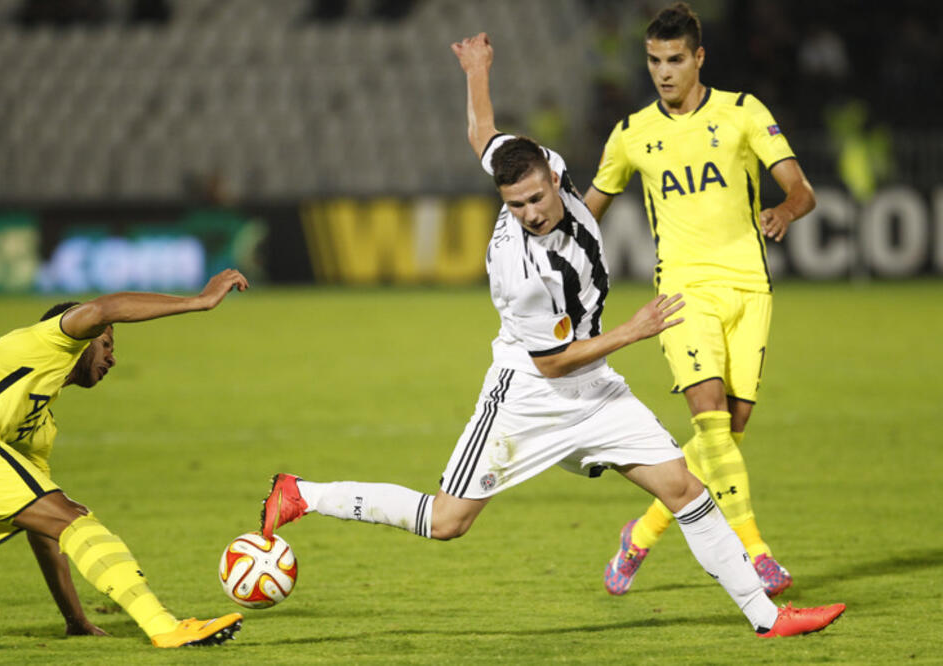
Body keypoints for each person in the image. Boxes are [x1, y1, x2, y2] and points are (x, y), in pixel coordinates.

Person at [260, 32, 843, 638]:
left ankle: (768, 616)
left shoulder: (543, 166)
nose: (531, 213)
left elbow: (483, 136)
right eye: (514, 206)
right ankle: (302, 494)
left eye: (536, 198)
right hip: (528, 396)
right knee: (447, 521)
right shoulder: (525, 272)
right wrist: (634, 330)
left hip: (594, 389)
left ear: (551, 173)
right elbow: (553, 364)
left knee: (684, 488)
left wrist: (477, 68)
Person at [583, 2, 817, 598]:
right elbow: (589, 213)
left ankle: (640, 534)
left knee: (727, 435)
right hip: (683, 293)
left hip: (749, 289)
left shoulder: (743, 113)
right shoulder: (632, 134)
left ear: (698, 58)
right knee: (711, 422)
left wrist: (784, 210)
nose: (663, 72)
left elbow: (801, 188)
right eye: (655, 61)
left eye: (675, 60)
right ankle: (756, 553)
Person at [0, 269, 249, 647]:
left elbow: (46, 528)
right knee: (74, 516)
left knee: (63, 517)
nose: (112, 358)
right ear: (82, 340)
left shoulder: (37, 426)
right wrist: (198, 301)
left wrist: (76, 619)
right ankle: (163, 626)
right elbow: (105, 308)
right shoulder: (47, 341)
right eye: (107, 344)